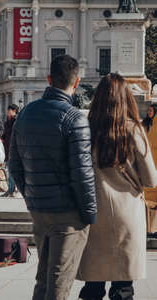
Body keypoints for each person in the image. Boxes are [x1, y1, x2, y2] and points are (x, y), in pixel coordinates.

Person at [9, 55, 97, 300]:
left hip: (40, 208)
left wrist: (31, 195)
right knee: (59, 281)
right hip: (68, 213)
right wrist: (89, 213)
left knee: (43, 278)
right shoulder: (75, 118)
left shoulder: (25, 114)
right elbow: (82, 172)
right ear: (77, 82)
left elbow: (14, 164)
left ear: (48, 79)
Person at [76, 74, 157, 300]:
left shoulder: (85, 129)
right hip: (127, 214)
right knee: (123, 287)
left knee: (92, 287)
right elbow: (151, 179)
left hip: (93, 212)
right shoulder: (134, 130)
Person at [2, 104, 19, 197]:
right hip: (7, 148)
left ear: (14, 111)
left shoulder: (17, 121)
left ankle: (15, 190)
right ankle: (10, 189)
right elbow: (5, 134)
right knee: (9, 170)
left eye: (9, 110)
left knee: (13, 170)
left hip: (15, 148)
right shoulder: (7, 122)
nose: (8, 112)